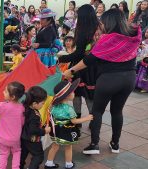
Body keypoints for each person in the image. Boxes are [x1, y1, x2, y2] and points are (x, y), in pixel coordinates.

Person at [63, 8, 141, 155]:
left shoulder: (107, 39)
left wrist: (71, 70)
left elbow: (89, 59)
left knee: (97, 111)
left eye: (104, 22)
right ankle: (115, 144)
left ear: (109, 22)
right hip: (129, 78)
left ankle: (94, 145)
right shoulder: (135, 34)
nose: (102, 25)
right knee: (117, 111)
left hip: (109, 79)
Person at [58, 4, 100, 129]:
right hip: (95, 67)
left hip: (82, 68)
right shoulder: (100, 28)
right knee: (90, 95)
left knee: (78, 94)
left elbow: (78, 54)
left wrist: (62, 58)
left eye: (78, 14)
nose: (76, 16)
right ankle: (94, 122)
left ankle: (78, 122)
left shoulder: (83, 30)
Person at [44, 79, 93, 169]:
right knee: (68, 147)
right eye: (72, 92)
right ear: (67, 96)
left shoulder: (53, 106)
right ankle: (69, 164)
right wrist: (86, 118)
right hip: (66, 129)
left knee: (54, 146)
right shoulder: (69, 109)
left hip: (56, 129)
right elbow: (74, 121)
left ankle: (49, 163)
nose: (74, 93)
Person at [20, 86, 51, 169]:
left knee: (23, 154)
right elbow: (33, 130)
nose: (43, 105)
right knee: (39, 155)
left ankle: (19, 166)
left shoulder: (24, 106)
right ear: (34, 103)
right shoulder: (34, 116)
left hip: (23, 137)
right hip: (33, 140)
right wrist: (44, 131)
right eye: (42, 103)